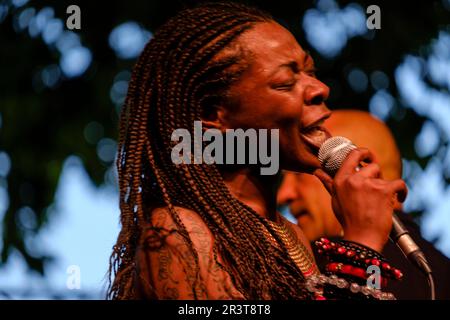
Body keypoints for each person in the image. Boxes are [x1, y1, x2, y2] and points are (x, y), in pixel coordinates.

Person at [108, 2, 407, 300]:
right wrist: (360, 245)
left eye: (309, 71)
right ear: (213, 115)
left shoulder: (292, 235)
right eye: (285, 82)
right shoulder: (179, 234)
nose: (319, 89)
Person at [277, 109, 450, 299]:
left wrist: (359, 246)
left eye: (301, 175)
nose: (284, 194)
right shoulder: (442, 271)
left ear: (361, 168)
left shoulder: (310, 266)